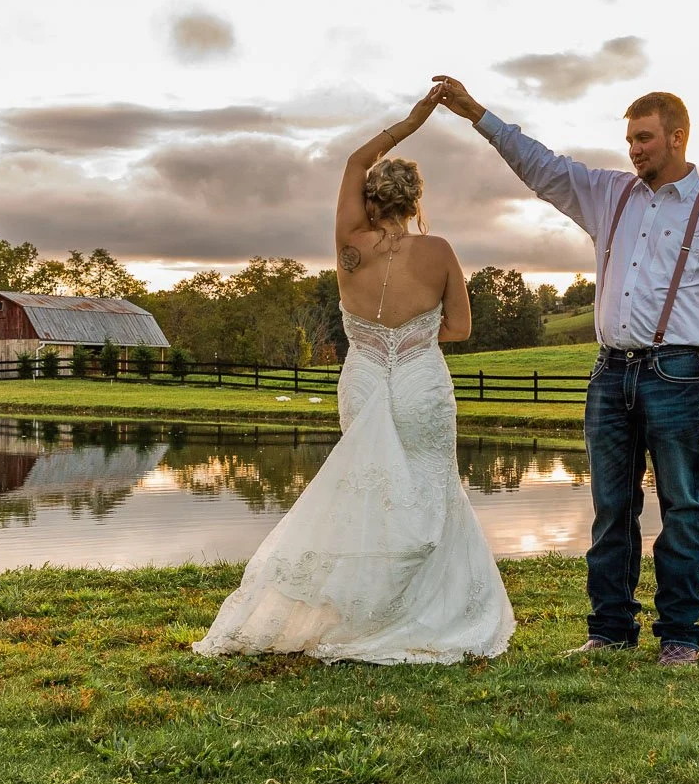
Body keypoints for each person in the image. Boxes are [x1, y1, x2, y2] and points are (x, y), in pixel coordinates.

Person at [431, 75, 699, 668]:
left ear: (677, 137)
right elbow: (542, 166)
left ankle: (679, 637)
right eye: (629, 140)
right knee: (611, 507)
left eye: (644, 138)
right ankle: (610, 629)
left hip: (676, 372)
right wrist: (479, 115)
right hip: (609, 372)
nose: (634, 150)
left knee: (682, 507)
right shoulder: (610, 194)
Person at [193, 84, 516, 664]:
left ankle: (362, 612)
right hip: (419, 381)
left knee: (368, 495)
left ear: (369, 199)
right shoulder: (439, 251)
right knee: (428, 491)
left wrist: (412, 120)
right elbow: (461, 329)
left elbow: (353, 159)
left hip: (363, 378)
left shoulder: (349, 244)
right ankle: (422, 612)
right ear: (415, 203)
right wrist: (413, 337)